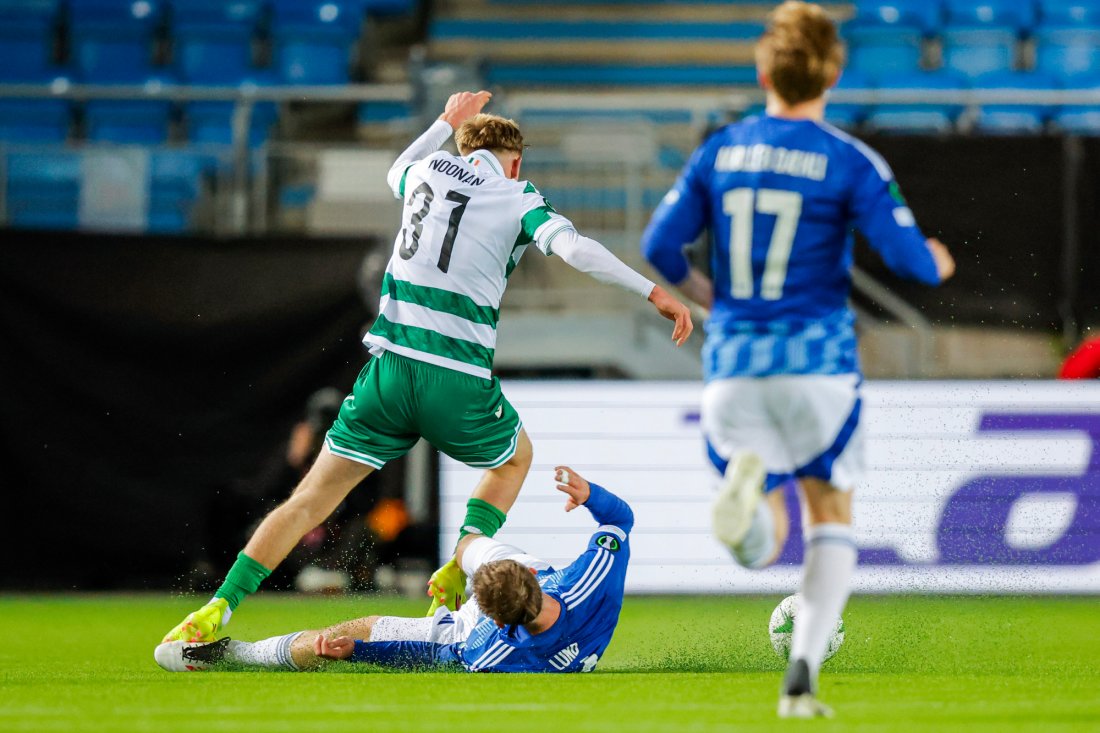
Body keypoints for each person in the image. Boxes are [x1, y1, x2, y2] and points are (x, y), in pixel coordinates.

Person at [163, 91, 691, 646]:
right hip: (454, 380)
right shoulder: (517, 195)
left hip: (388, 374)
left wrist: (444, 120)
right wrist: (652, 290)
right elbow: (576, 249)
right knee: (515, 460)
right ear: (515, 160)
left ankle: (221, 604)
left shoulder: (423, 173)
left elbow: (395, 167)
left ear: (465, 149)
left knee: (307, 502)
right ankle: (460, 561)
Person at [640, 1, 955, 718]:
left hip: (735, 362)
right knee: (829, 515)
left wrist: (708, 295)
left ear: (762, 70)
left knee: (760, 544)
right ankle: (802, 679)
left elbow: (660, 246)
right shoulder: (850, 159)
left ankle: (749, 501)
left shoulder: (719, 150)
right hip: (818, 367)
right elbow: (909, 260)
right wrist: (935, 261)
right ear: (833, 74)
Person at [154, 467, 633, 674]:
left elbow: (415, 652)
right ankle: (457, 567)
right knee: (467, 552)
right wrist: (592, 497)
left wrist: (356, 651)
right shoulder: (586, 583)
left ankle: (229, 654)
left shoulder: (483, 648)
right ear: (529, 580)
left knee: (348, 630)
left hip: (461, 625)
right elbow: (619, 522)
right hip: (538, 603)